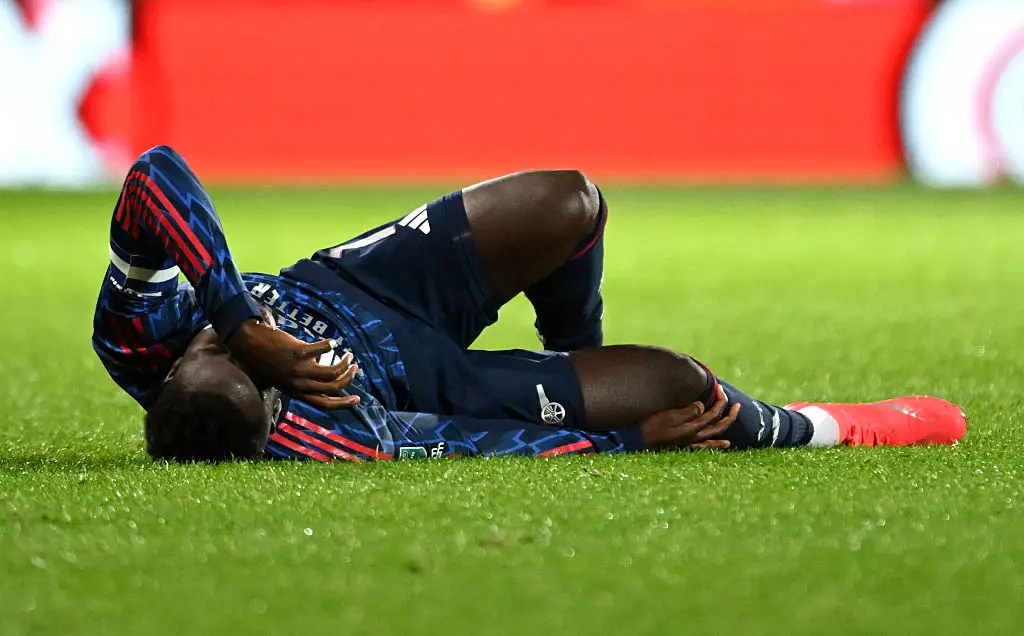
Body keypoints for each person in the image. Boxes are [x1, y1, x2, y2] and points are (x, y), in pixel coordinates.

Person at [92, 146, 967, 463]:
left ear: (179, 369)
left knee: (569, 199)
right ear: (277, 411)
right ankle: (828, 425)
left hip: (365, 284)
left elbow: (155, 174)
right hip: (433, 379)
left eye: (214, 355)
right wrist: (621, 438)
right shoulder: (327, 438)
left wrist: (237, 316)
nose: (245, 354)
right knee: (680, 388)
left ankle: (572, 346)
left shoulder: (141, 338)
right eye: (256, 373)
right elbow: (466, 443)